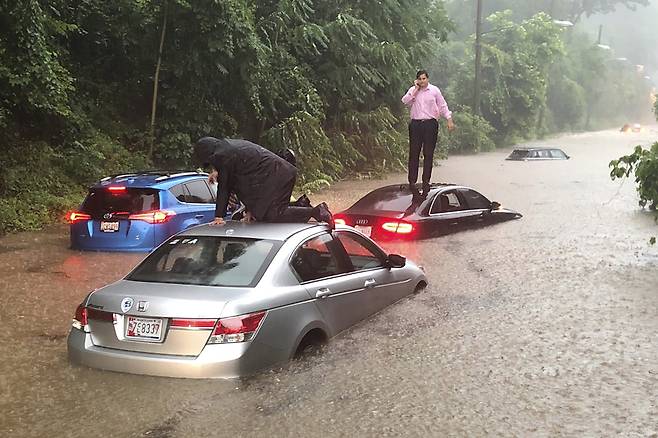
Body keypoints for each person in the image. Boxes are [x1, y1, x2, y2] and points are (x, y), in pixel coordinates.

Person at [192, 137, 333, 226]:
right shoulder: (227, 149)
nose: (211, 165)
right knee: (264, 214)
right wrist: (250, 210)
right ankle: (302, 205)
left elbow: (225, 187)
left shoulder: (223, 155)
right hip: (275, 173)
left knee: (273, 214)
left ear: (208, 154)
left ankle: (316, 211)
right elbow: (241, 184)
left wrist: (218, 217)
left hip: (276, 174)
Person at [401, 69, 455, 195]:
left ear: (427, 79)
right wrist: (415, 90)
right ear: (417, 80)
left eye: (424, 79)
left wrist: (449, 119)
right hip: (416, 124)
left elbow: (442, 105)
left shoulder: (434, 90)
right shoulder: (413, 90)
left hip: (430, 124)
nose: (422, 81)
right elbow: (405, 101)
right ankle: (412, 180)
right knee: (414, 152)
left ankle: (426, 180)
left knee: (428, 153)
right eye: (419, 79)